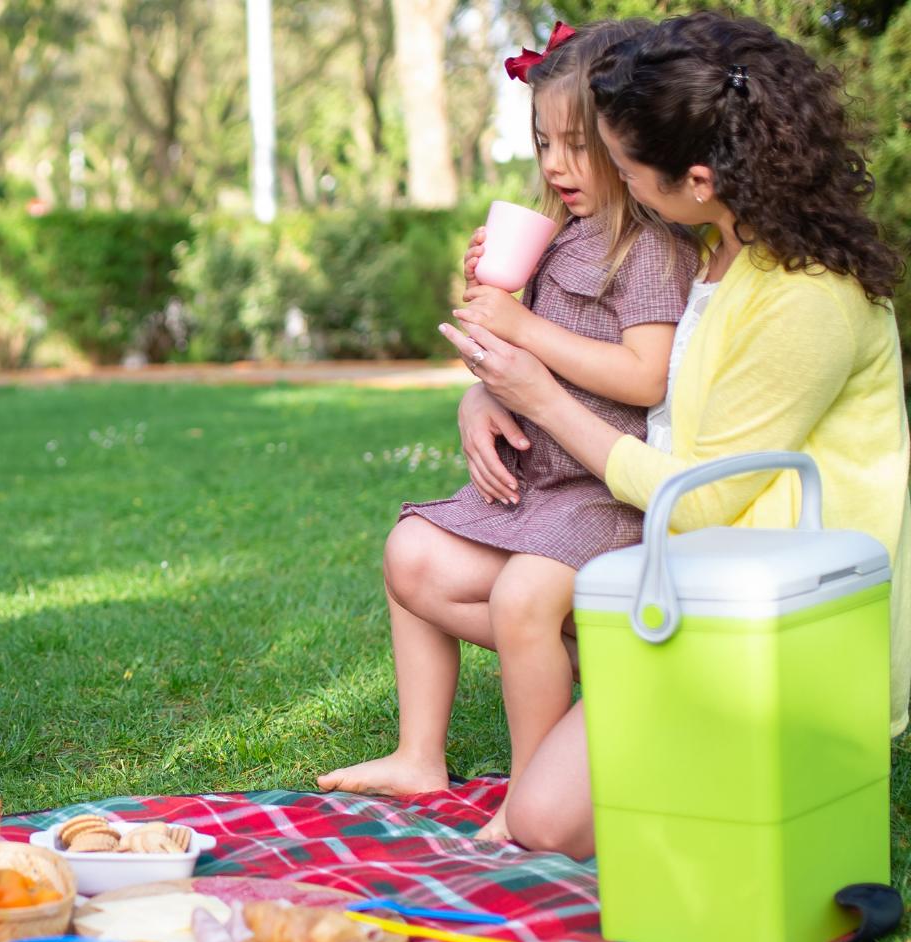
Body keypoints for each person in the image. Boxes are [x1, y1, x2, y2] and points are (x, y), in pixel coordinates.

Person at [444, 10, 910, 858]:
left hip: (788, 632)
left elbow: (699, 502)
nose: (610, 182)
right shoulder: (718, 248)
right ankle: (646, 723)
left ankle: (711, 752)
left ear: (698, 179)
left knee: (545, 823)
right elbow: (634, 394)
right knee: (458, 583)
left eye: (626, 167)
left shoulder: (807, 299)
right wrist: (489, 395)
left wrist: (543, 399)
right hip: (697, 585)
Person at [318, 20, 700, 843]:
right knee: (410, 552)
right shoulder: (552, 237)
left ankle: (531, 793)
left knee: (526, 597)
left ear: (624, 140)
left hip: (607, 492)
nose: (556, 165)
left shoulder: (650, 250)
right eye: (543, 143)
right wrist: (483, 363)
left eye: (576, 145)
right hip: (540, 486)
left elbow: (645, 375)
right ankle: (420, 752)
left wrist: (524, 329)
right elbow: (512, 365)